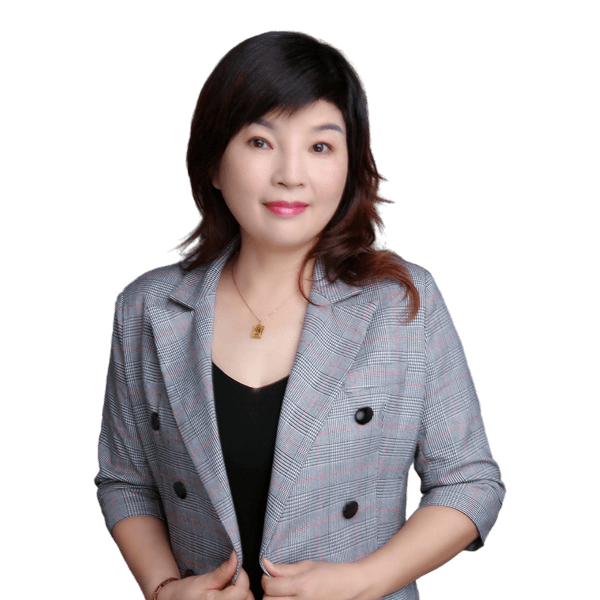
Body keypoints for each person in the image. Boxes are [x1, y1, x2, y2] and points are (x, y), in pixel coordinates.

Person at [94, 30, 506, 600]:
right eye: (260, 141)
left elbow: (469, 483)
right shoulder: (146, 307)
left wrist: (364, 581)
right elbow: (126, 481)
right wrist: (164, 589)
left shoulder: (403, 302)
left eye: (320, 146)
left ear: (350, 165)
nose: (290, 173)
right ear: (213, 163)